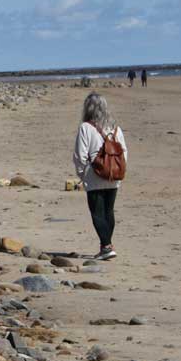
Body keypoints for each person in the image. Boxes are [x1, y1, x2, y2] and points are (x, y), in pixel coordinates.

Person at [73, 92, 127, 259]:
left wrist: (83, 175)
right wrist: (119, 171)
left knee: (97, 212)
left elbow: (80, 156)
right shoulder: (115, 128)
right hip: (114, 176)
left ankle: (106, 247)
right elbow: (124, 152)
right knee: (109, 211)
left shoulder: (85, 128)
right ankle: (107, 245)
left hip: (94, 175)